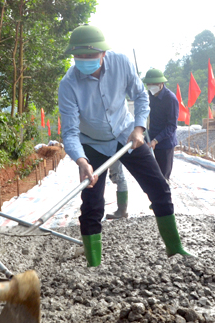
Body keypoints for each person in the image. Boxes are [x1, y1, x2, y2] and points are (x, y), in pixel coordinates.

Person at [58, 24, 189, 267]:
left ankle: (175, 249)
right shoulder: (68, 84)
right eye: (80, 56)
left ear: (104, 53)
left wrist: (139, 127)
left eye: (91, 55)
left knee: (159, 187)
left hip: (127, 136)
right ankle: (94, 265)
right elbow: (70, 132)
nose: (85, 60)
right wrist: (81, 161)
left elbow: (140, 96)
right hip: (92, 145)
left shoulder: (121, 63)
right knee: (92, 203)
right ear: (73, 56)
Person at [142, 68, 179, 180]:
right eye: (149, 84)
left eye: (154, 84)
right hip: (151, 139)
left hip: (165, 144)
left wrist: (156, 140)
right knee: (152, 177)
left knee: (163, 178)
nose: (151, 87)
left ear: (161, 84)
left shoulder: (170, 99)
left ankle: (165, 196)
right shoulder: (150, 95)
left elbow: (172, 126)